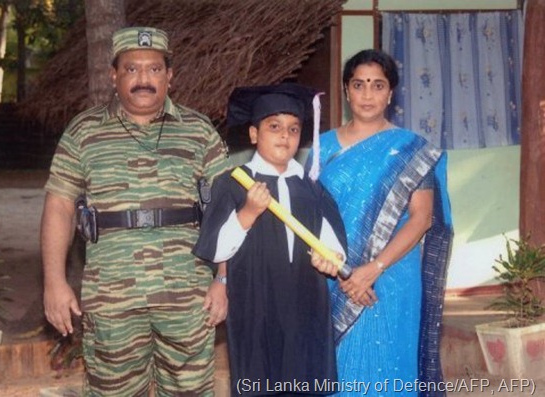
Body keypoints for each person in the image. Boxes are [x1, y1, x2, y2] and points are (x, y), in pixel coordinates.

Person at [40, 26, 231, 396]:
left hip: (187, 295)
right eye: (132, 69)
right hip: (111, 297)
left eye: (154, 69)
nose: (143, 79)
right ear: (113, 75)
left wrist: (223, 280)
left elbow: (225, 208)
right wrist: (53, 281)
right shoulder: (84, 132)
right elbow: (59, 205)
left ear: (169, 76)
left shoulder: (198, 131)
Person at [309, 49, 453, 396]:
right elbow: (309, 217)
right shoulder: (321, 148)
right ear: (346, 91)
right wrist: (339, 270)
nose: (368, 94)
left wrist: (373, 268)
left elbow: (422, 218)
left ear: (391, 93)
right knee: (341, 372)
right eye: (359, 85)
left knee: (391, 366)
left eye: (377, 85)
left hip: (391, 278)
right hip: (334, 279)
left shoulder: (411, 149)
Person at [193, 83, 347, 396]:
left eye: (293, 129)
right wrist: (248, 212)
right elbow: (217, 247)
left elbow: (333, 244)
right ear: (254, 134)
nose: (284, 136)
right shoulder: (234, 183)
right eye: (274, 127)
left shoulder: (311, 187)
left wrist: (330, 258)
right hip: (255, 302)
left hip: (305, 303)